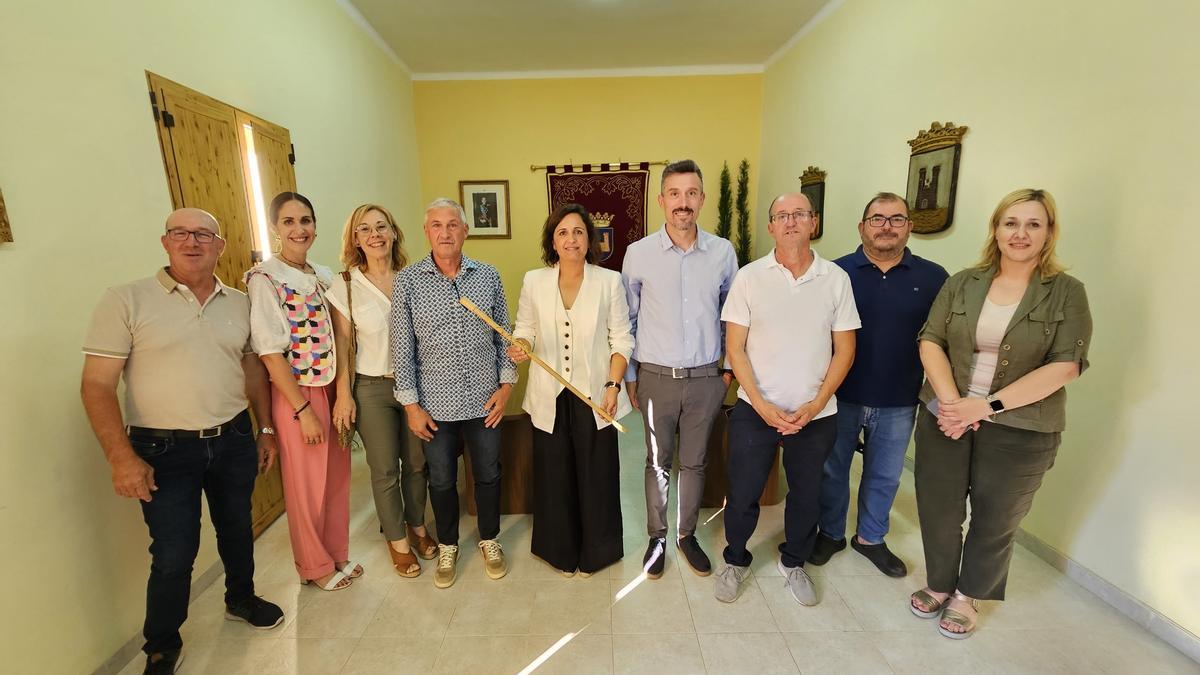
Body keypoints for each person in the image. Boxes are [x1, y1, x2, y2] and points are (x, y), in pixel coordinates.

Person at [81, 208, 284, 675]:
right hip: (162, 448)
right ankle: (162, 641)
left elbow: (252, 370)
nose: (191, 242)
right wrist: (121, 458)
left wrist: (265, 428)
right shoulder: (126, 300)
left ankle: (241, 599)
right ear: (165, 241)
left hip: (232, 436)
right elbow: (96, 386)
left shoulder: (238, 302)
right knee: (174, 551)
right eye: (180, 233)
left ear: (220, 245)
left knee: (237, 528)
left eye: (203, 235)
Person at [910, 188, 1092, 639]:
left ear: (1049, 232)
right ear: (995, 228)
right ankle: (939, 583)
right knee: (938, 507)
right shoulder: (963, 282)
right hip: (945, 415)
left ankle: (968, 595)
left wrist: (985, 405)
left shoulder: (1066, 292)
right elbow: (930, 339)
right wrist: (954, 404)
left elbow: (1066, 365)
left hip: (1020, 428)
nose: (1020, 233)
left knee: (995, 517)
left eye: (1034, 224)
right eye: (1011, 222)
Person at [714, 193, 859, 605]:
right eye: (782, 215)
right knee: (742, 492)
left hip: (816, 413)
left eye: (799, 214)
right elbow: (735, 348)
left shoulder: (836, 279)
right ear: (771, 227)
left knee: (807, 494)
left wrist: (814, 405)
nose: (791, 221)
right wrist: (761, 404)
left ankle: (793, 562)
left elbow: (845, 350)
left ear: (813, 222)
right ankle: (735, 560)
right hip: (756, 409)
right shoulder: (749, 277)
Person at [810, 193, 948, 576]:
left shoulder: (934, 278)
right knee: (833, 469)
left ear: (910, 226)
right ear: (862, 226)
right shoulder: (834, 274)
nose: (886, 226)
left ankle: (871, 538)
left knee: (885, 474)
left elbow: (942, 339)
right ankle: (831, 533)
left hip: (899, 398)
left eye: (896, 219)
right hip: (840, 394)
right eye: (877, 219)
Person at [391, 197, 517, 589]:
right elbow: (402, 348)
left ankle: (489, 539)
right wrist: (411, 406)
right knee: (442, 479)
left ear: (465, 231)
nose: (445, 232)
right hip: (434, 405)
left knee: (488, 474)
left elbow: (504, 337)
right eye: (436, 225)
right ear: (426, 232)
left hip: (484, 399)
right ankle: (448, 544)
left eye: (452, 225)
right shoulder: (408, 281)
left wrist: (506, 386)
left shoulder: (488, 276)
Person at [622, 159, 738, 579]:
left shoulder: (723, 252)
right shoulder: (638, 255)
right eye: (674, 194)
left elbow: (732, 316)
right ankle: (657, 537)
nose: (683, 203)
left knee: (695, 462)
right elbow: (628, 320)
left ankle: (686, 535)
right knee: (656, 461)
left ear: (702, 199)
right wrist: (632, 378)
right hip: (656, 378)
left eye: (691, 193)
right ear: (661, 201)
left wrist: (727, 371)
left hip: (707, 378)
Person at [507, 203, 634, 577]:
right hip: (549, 394)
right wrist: (521, 346)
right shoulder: (534, 281)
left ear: (589, 239)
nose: (570, 239)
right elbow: (524, 328)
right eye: (562, 232)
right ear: (552, 240)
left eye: (578, 231)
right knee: (554, 474)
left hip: (596, 394)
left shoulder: (609, 281)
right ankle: (558, 550)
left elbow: (621, 339)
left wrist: (613, 386)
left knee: (598, 475)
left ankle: (599, 551)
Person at [246, 191, 361, 592]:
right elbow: (270, 353)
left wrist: (342, 393)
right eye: (290, 222)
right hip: (298, 394)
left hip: (331, 386)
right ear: (276, 228)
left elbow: (342, 337)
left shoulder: (323, 276)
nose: (300, 229)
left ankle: (336, 551)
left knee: (336, 478)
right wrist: (302, 410)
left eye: (306, 221)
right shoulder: (265, 279)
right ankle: (314, 565)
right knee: (307, 484)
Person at [328, 204, 437, 578]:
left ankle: (417, 526)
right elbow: (342, 345)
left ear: (393, 232)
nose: (374, 235)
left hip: (416, 387)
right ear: (355, 239)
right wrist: (344, 395)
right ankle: (398, 541)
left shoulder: (415, 278)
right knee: (385, 469)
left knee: (418, 463)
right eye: (365, 229)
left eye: (381, 227)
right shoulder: (345, 285)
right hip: (371, 388)